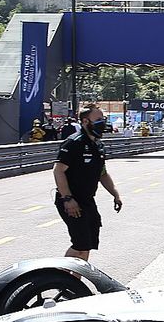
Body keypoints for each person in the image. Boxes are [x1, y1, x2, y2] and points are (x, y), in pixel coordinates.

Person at [53, 103, 123, 261]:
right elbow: (58, 170)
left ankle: (73, 283)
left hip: (87, 200)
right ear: (85, 122)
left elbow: (103, 174)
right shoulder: (74, 143)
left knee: (87, 244)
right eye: (98, 119)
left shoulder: (98, 145)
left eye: (103, 119)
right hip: (71, 200)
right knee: (80, 244)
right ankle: (58, 278)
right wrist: (68, 199)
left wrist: (115, 194)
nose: (102, 123)